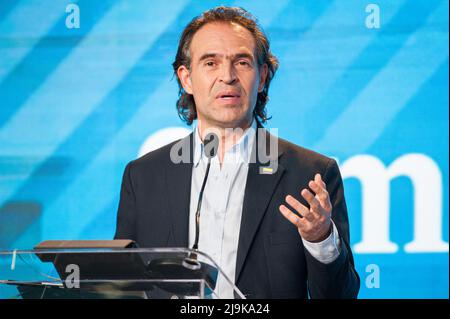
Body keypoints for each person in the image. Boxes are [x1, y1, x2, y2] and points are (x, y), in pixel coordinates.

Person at [115, 6, 360, 299]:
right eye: (210, 63)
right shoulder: (143, 176)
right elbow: (123, 286)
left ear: (263, 76)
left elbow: (339, 296)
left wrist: (320, 238)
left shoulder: (310, 175)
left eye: (242, 62)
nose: (227, 76)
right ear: (186, 78)